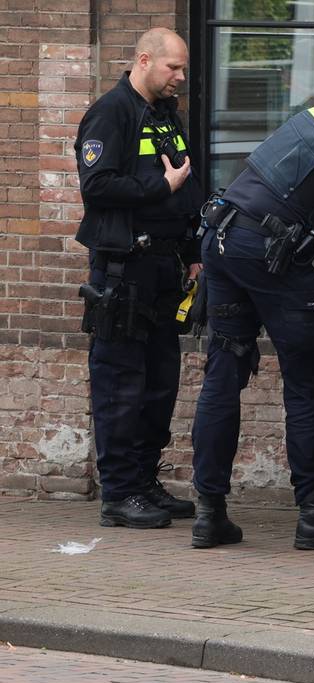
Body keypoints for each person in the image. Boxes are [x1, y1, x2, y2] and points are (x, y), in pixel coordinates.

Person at [188, 98, 314, 551]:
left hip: (223, 233)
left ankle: (209, 512)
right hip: (270, 253)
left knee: (223, 373)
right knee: (307, 382)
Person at [74, 28, 203, 529]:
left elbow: (187, 187)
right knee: (120, 385)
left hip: (164, 269)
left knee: (159, 384)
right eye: (173, 68)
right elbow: (98, 185)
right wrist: (159, 184)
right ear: (144, 60)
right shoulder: (112, 112)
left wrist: (192, 251)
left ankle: (144, 481)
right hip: (123, 272)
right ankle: (119, 494)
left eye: (185, 69)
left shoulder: (167, 116)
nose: (181, 77)